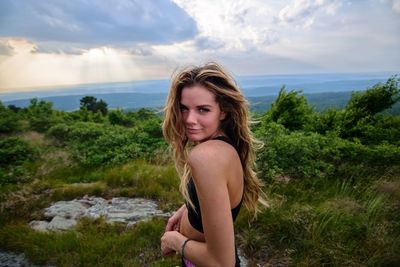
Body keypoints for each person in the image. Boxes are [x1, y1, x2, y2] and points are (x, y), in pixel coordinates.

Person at [161, 62, 266, 266]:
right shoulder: (224, 147)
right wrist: (188, 209)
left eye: (203, 110)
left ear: (223, 111)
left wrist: (174, 241)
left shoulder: (206, 157)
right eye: (184, 108)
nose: (190, 119)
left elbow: (221, 262)